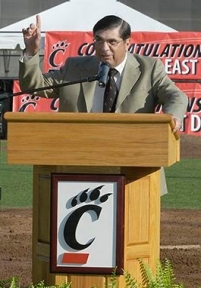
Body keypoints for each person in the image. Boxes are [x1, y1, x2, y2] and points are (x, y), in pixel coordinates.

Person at [19, 14, 188, 195]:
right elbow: (34, 86)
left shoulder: (149, 68)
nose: (104, 48)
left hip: (135, 173)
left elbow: (175, 96)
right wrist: (31, 52)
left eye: (112, 42)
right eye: (98, 40)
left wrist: (173, 116)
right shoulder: (75, 67)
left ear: (127, 43)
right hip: (79, 170)